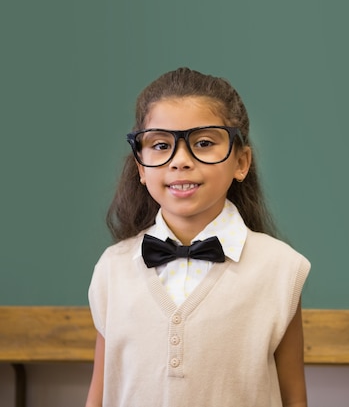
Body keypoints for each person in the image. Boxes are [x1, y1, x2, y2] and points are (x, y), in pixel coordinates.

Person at [85, 67, 310, 407]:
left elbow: (293, 397)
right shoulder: (112, 269)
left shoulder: (281, 269)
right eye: (161, 145)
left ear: (241, 162)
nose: (180, 161)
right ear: (140, 167)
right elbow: (100, 394)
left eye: (204, 143)